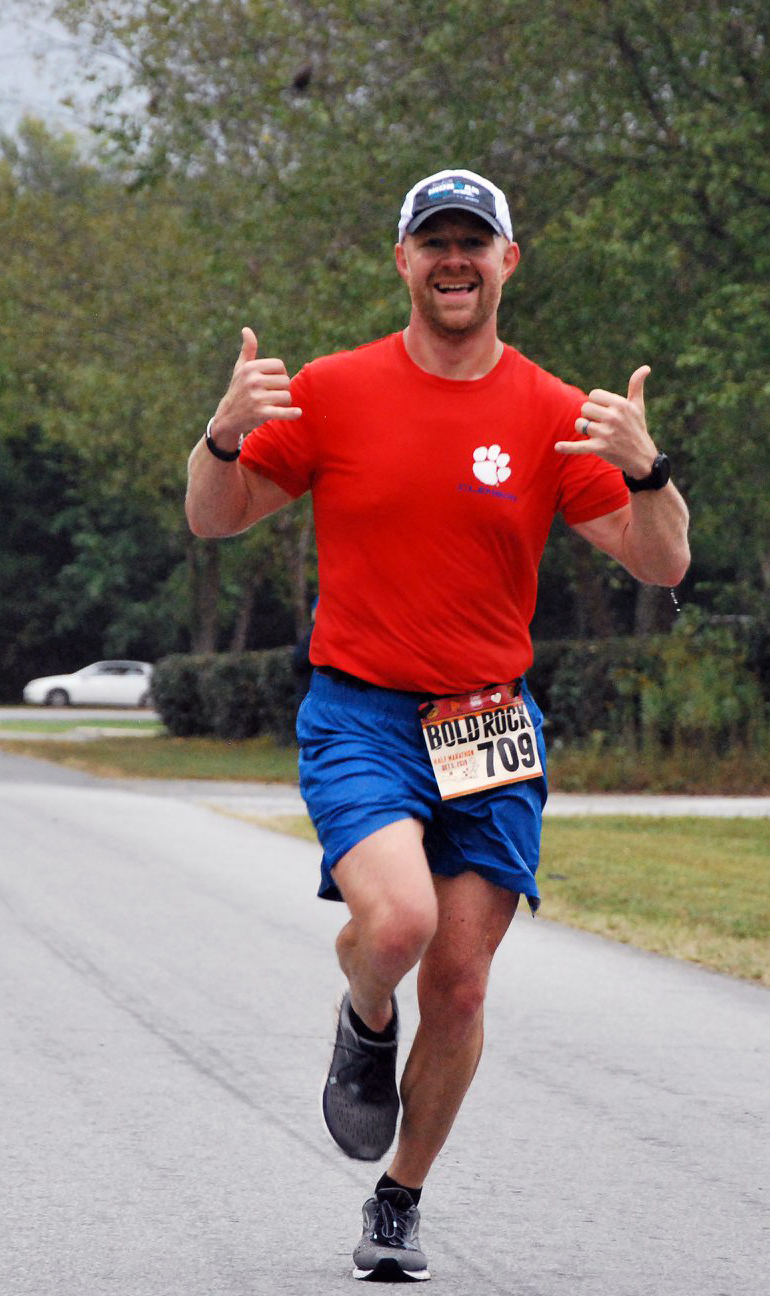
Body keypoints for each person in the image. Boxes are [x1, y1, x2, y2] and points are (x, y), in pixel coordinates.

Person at [185, 169, 690, 1282]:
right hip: (361, 711)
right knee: (400, 924)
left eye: (475, 241)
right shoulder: (330, 389)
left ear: (509, 261)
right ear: (401, 260)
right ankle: (365, 1012)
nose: (453, 260)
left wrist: (646, 469)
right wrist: (220, 440)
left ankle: (398, 1199)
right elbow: (214, 518)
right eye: (434, 242)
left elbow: (663, 562)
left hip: (491, 729)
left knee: (459, 985)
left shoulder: (557, 413)